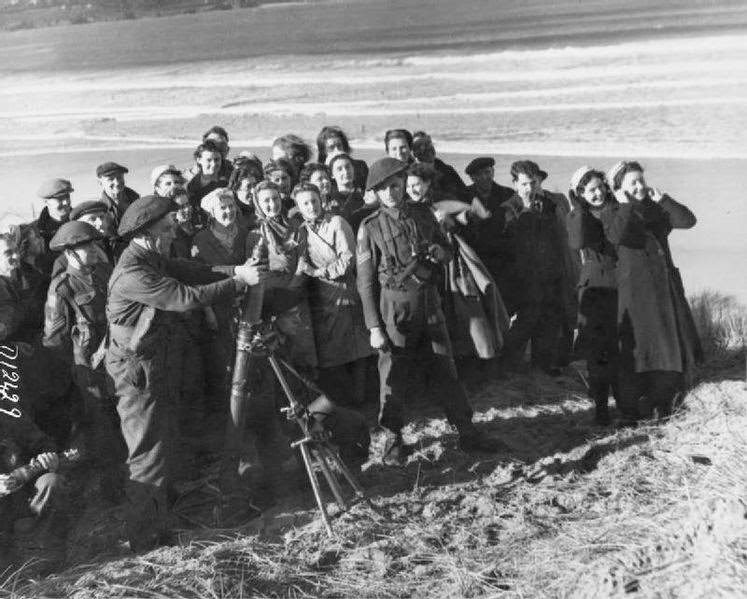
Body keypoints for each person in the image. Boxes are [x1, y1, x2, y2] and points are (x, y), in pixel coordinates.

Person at [105, 194, 264, 552]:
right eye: (166, 229)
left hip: (152, 365)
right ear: (146, 233)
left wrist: (235, 271)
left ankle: (160, 522)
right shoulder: (133, 273)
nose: (172, 233)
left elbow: (191, 271)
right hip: (136, 374)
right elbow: (185, 297)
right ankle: (143, 540)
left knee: (163, 446)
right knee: (147, 455)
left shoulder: (149, 257)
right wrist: (239, 283)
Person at [356, 157, 507, 465]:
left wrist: (442, 253)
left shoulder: (424, 214)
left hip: (429, 304)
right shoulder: (369, 227)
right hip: (394, 309)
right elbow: (365, 282)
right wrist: (373, 326)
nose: (391, 193)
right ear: (375, 193)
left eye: (395, 186)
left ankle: (467, 431)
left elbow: (446, 251)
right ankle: (393, 439)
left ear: (403, 184)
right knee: (393, 375)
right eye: (383, 189)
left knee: (445, 370)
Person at [605, 161, 702, 423]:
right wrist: (625, 205)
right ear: (619, 189)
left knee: (665, 346)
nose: (640, 187)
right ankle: (637, 406)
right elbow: (616, 236)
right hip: (636, 293)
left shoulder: (653, 207)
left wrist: (665, 200)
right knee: (640, 350)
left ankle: (665, 401)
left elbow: (688, 221)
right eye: (633, 183)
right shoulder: (614, 210)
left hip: (663, 288)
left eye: (641, 181)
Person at [43, 221, 125, 500]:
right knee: (103, 432)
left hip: (120, 361)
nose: (93, 249)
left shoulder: (104, 272)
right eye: (86, 246)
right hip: (91, 373)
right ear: (70, 253)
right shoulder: (61, 288)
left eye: (94, 243)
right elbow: (54, 340)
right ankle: (114, 493)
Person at [406, 163, 509, 364]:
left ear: (427, 183)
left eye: (416, 184)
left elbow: (471, 217)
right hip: (426, 262)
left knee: (464, 309)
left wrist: (453, 223)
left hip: (452, 261)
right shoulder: (409, 206)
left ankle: (475, 357)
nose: (412, 190)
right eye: (409, 186)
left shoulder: (441, 201)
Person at [293, 183, 372, 405]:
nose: (311, 207)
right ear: (299, 207)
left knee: (355, 348)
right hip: (321, 296)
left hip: (344, 291)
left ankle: (361, 401)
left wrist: (318, 272)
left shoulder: (336, 223)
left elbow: (348, 259)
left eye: (314, 201)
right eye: (305, 203)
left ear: (322, 201)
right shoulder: (302, 230)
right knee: (331, 351)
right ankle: (344, 402)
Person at [498, 161, 568, 375]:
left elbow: (557, 238)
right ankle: (507, 366)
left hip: (549, 272)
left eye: (534, 183)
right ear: (515, 184)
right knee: (526, 321)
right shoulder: (507, 208)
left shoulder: (548, 204)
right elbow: (509, 244)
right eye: (525, 184)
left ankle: (542, 365)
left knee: (549, 320)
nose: (530, 188)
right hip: (523, 277)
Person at [566, 167, 619, 425]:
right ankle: (600, 407)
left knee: (622, 347)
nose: (597, 193)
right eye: (590, 190)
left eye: (600, 187)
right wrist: (578, 208)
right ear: (580, 194)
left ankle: (625, 401)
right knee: (598, 351)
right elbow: (576, 242)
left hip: (622, 283)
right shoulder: (579, 215)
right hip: (596, 288)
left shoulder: (618, 206)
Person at [192, 188, 250, 406]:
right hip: (217, 306)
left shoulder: (246, 233)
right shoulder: (201, 239)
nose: (228, 211)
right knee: (223, 358)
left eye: (231, 206)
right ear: (212, 212)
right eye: (222, 208)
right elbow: (199, 276)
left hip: (246, 304)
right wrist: (208, 312)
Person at [0, 416, 70, 571]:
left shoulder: (9, 417)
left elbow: (44, 444)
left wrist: (47, 456)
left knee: (51, 482)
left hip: (27, 502)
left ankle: (44, 558)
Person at [411, 131, 470, 202]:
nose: (427, 148)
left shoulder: (447, 169)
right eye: (420, 145)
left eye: (428, 143)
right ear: (414, 152)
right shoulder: (411, 174)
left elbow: (464, 193)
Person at [33, 178, 73, 279]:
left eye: (67, 196)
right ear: (46, 202)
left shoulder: (81, 223)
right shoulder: (34, 232)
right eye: (60, 198)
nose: (66, 202)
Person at [186, 139, 230, 223]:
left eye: (217, 159)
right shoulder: (191, 186)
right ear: (199, 160)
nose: (213, 164)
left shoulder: (229, 180)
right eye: (209, 160)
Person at [327, 153, 374, 232]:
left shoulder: (367, 194)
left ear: (353, 169)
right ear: (332, 174)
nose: (345, 172)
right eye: (339, 169)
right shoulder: (329, 198)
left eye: (348, 167)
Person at [315, 125, 368, 191]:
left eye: (339, 146)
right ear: (323, 152)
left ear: (344, 146)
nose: (337, 150)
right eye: (331, 148)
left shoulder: (360, 166)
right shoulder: (319, 173)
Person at [96, 162, 140, 233]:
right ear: (100, 183)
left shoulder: (137, 201)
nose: (117, 182)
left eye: (119, 177)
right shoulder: (100, 210)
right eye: (110, 179)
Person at [228, 161, 263, 227]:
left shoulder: (263, 207)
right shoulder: (228, 212)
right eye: (248, 187)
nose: (253, 191)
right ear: (236, 188)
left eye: (255, 185)